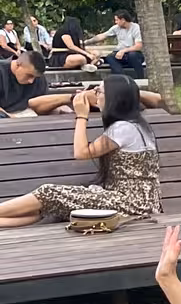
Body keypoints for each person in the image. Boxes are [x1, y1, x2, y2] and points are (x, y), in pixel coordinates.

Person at [0, 76, 158, 228]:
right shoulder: (135, 125)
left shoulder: (124, 128)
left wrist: (82, 115)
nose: (95, 95)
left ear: (113, 98)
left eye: (99, 91)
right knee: (50, 206)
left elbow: (81, 152)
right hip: (138, 202)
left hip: (131, 204)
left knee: (48, 192)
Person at [0, 49, 66, 116]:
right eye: (29, 75)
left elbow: (41, 103)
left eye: (35, 77)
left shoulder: (38, 77)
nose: (31, 81)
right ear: (18, 65)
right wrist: (10, 117)